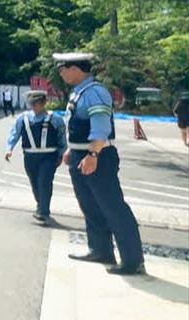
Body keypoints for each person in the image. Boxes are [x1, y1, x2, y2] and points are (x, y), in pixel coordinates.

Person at [56, 53, 145, 275]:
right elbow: (77, 127)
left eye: (62, 68)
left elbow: (101, 127)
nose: (61, 73)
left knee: (113, 207)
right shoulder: (79, 92)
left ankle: (132, 259)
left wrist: (92, 154)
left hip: (98, 157)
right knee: (90, 206)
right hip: (81, 155)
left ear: (75, 68)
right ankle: (100, 249)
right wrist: (72, 150)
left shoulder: (95, 92)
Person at [5, 90, 67, 225]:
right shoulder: (24, 118)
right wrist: (9, 149)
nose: (35, 106)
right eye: (32, 103)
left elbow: (61, 137)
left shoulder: (55, 119)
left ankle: (44, 212)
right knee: (35, 183)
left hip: (49, 156)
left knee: (44, 181)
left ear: (44, 103)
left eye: (38, 103)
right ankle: (41, 205)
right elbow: (14, 134)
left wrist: (62, 153)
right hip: (30, 156)